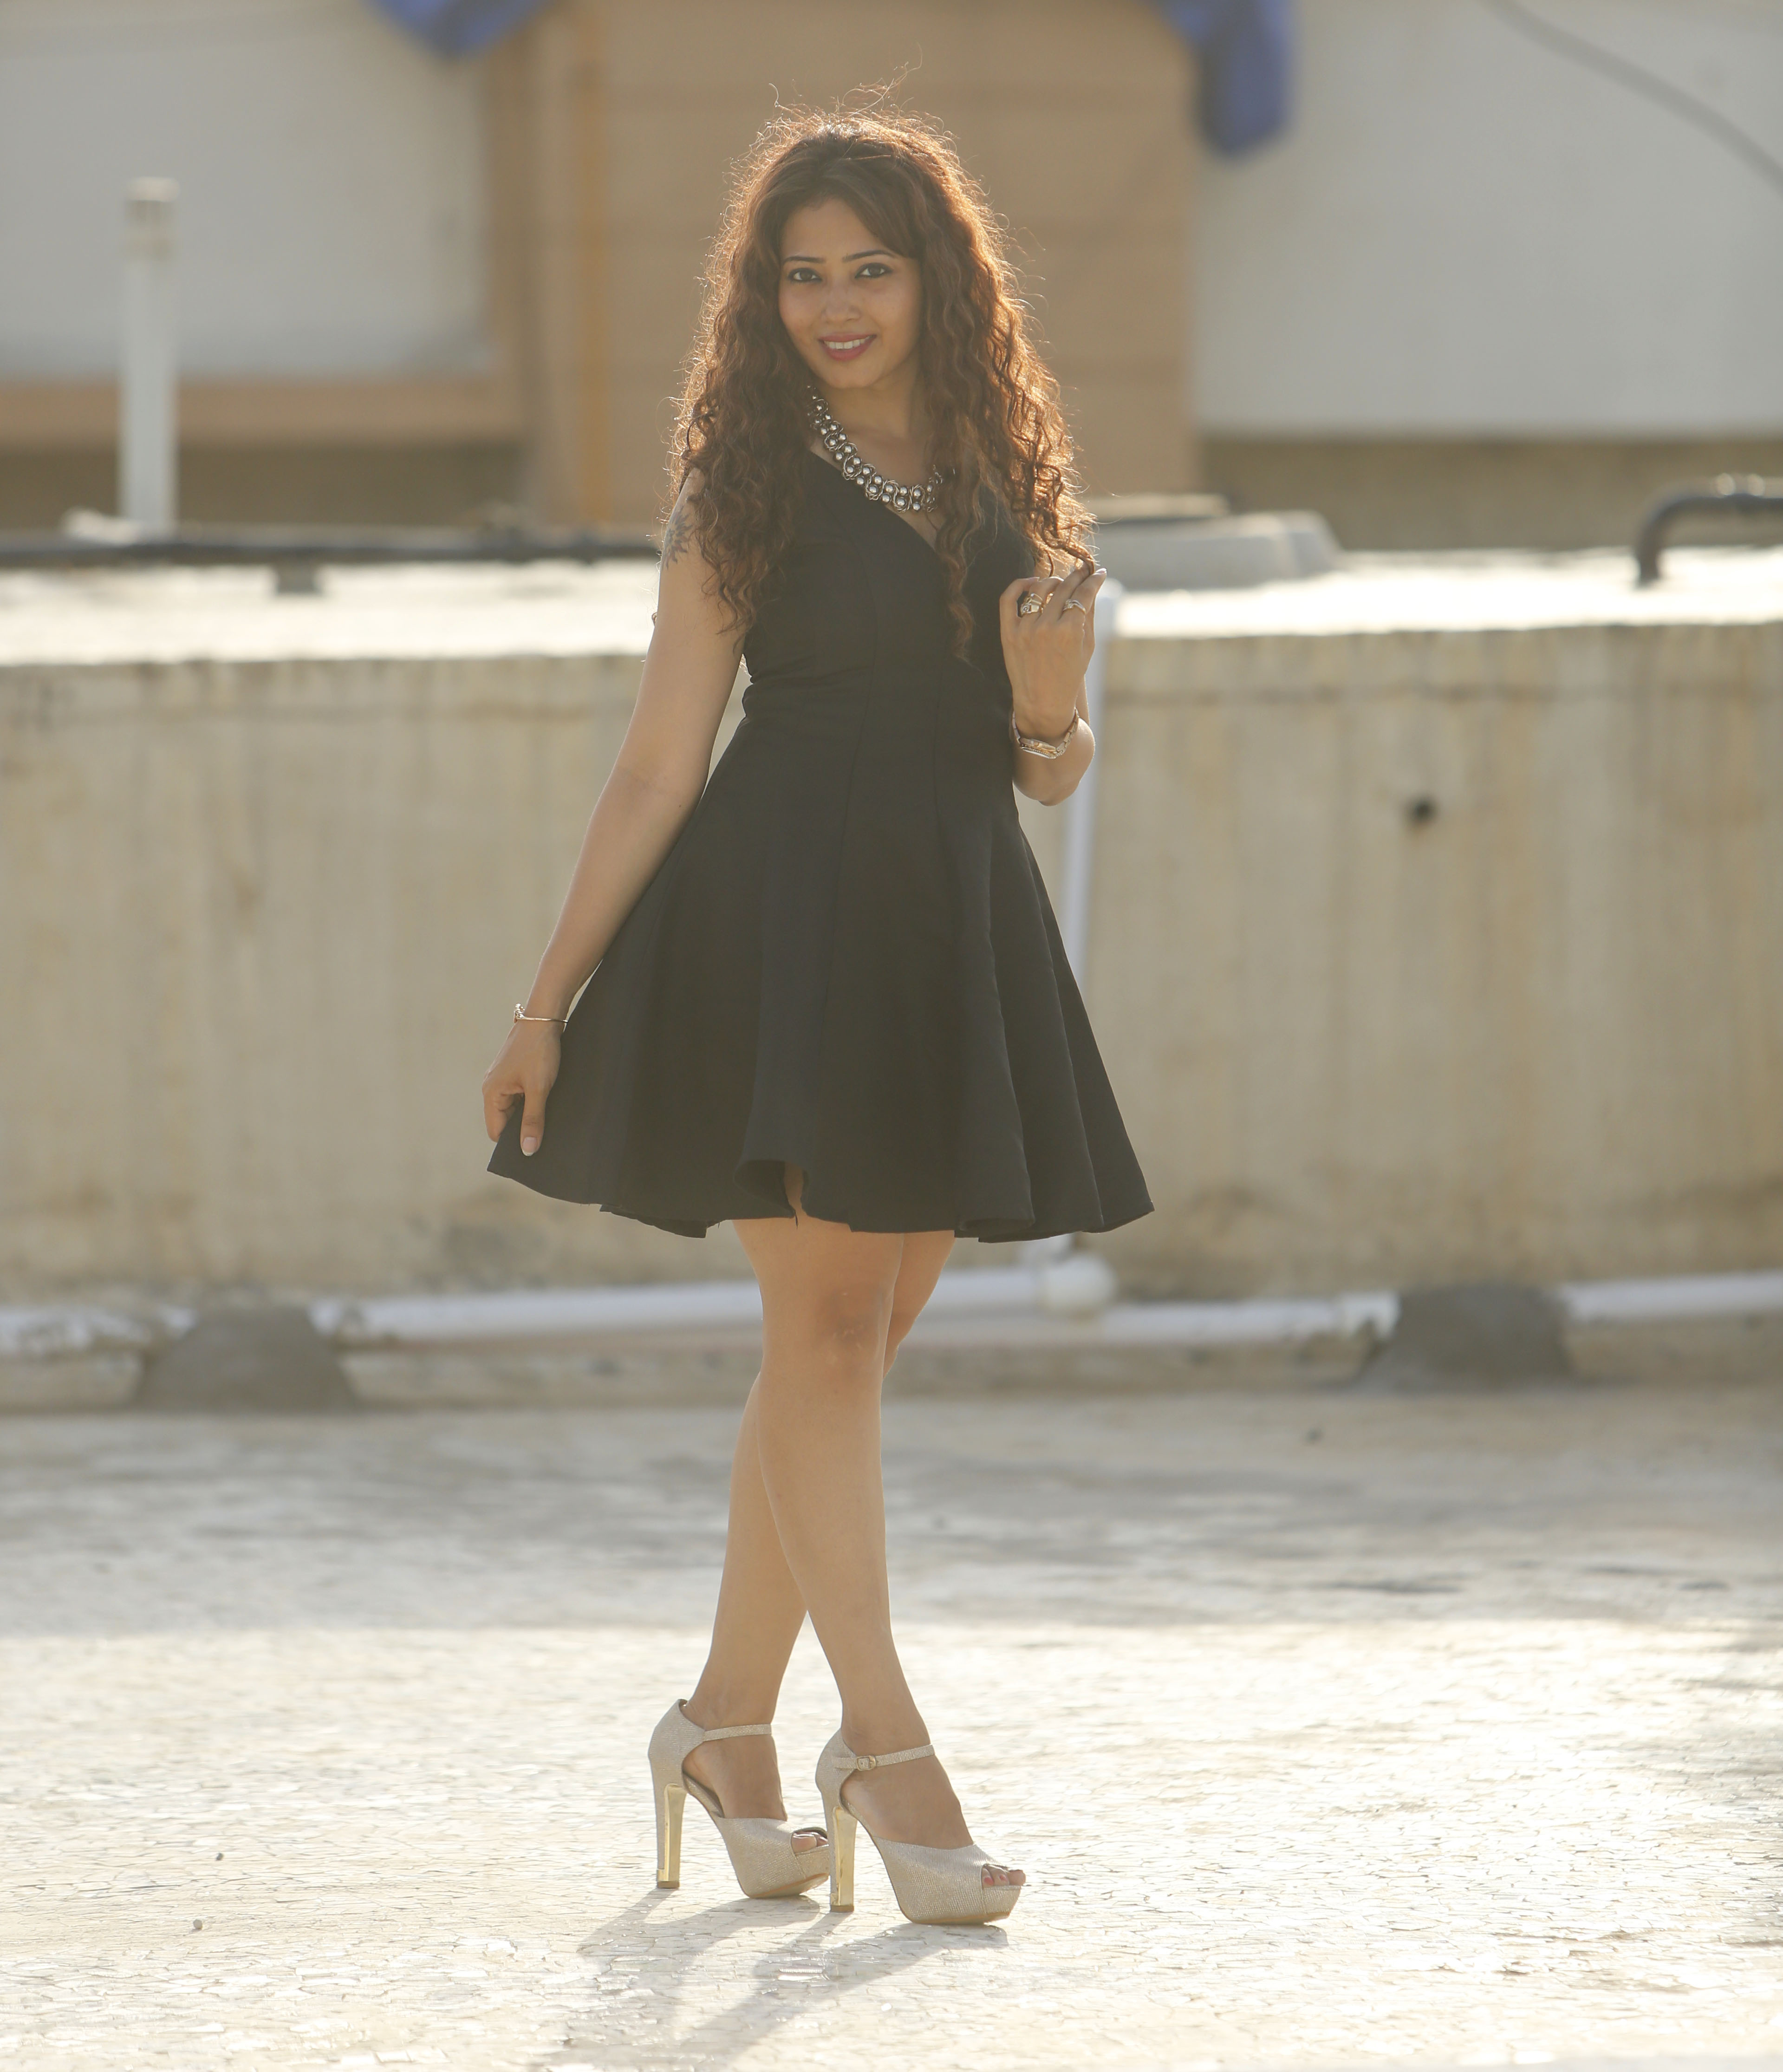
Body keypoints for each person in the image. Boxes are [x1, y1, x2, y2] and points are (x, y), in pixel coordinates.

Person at [481, 105, 1151, 1927]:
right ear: (761, 298)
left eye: (871, 268)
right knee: (832, 1339)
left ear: (940, 279)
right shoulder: (745, 492)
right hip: (773, 933)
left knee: (839, 1350)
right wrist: (545, 1001)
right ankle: (888, 1746)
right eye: (802, 275)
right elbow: (656, 767)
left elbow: (1042, 767)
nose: (837, 305)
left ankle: (722, 1725)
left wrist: (1052, 701)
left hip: (943, 928)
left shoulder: (1007, 468)